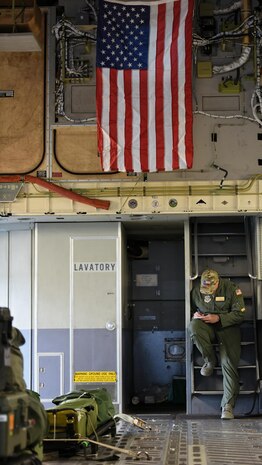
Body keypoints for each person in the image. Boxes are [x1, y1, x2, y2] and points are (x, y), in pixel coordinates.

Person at [188, 269, 246, 420]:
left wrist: (218, 318)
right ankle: (210, 360)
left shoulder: (231, 289)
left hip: (228, 327)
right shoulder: (196, 291)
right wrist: (196, 315)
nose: (208, 291)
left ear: (218, 282)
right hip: (206, 325)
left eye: (211, 288)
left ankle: (227, 405)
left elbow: (239, 314)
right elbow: (193, 309)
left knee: (228, 362)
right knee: (193, 326)